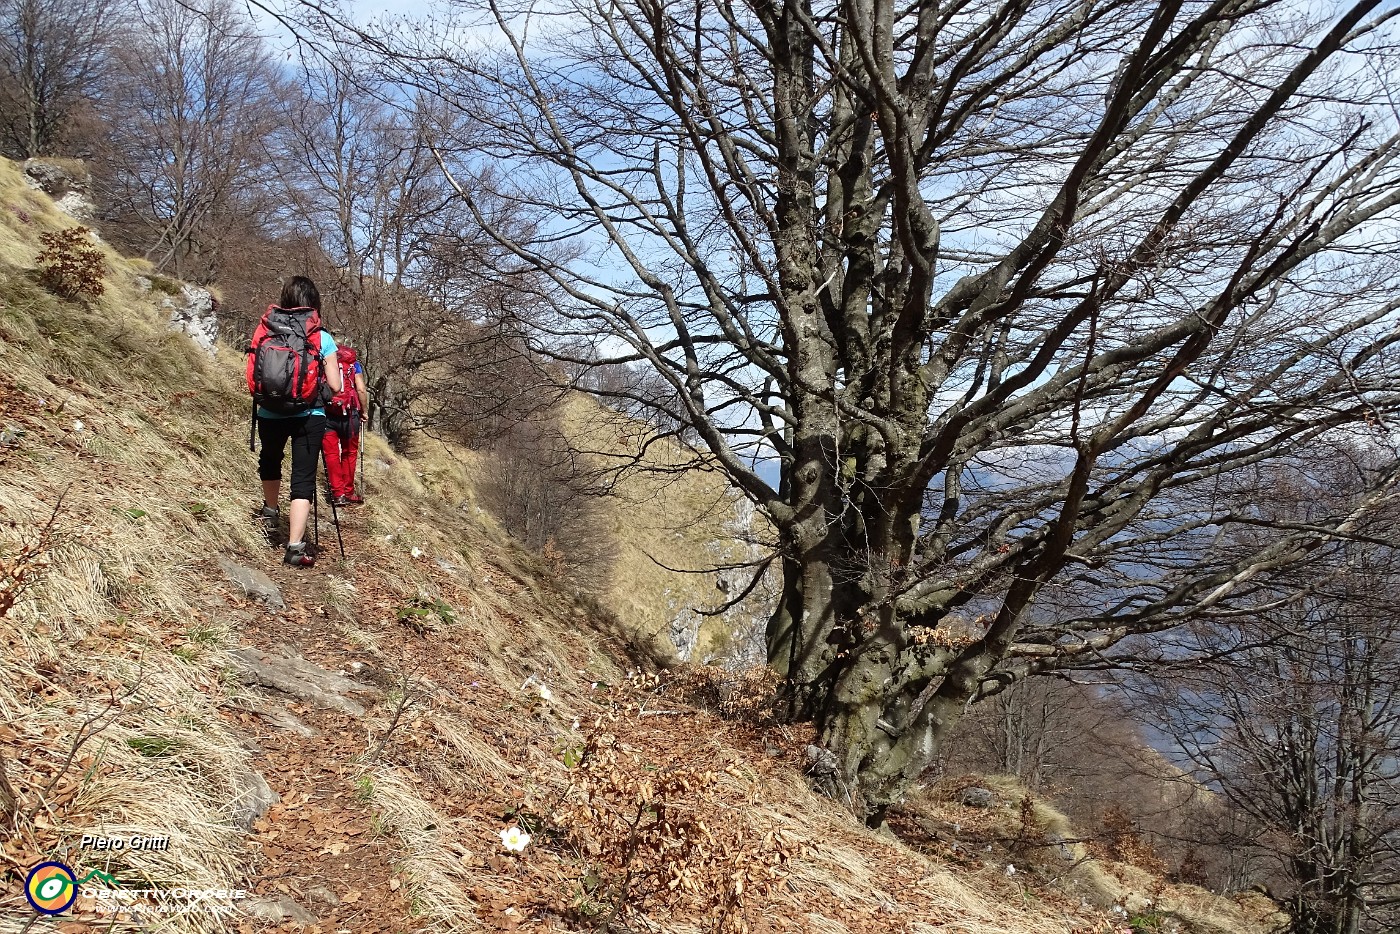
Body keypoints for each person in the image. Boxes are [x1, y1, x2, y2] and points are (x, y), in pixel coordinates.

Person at [249, 275, 343, 567]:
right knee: (302, 478)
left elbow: (253, 373)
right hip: (309, 414)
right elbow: (336, 385)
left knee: (271, 459)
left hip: (269, 410)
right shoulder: (321, 337)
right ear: (314, 302)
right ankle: (295, 547)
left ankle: (270, 513)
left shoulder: (264, 329)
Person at [322, 346, 368, 506]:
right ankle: (348, 492)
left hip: (328, 412)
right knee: (350, 452)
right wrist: (364, 411)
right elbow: (361, 389)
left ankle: (337, 494)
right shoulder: (353, 363)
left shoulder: (325, 359)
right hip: (350, 414)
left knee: (331, 454)